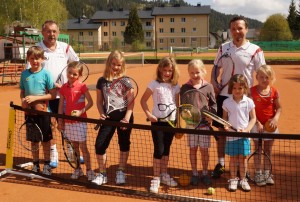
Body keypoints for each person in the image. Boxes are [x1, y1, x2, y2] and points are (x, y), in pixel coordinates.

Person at [210, 16, 266, 178]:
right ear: (230, 31)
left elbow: (262, 74)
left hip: (244, 99)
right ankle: (221, 163)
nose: (236, 32)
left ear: (246, 29)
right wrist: (214, 81)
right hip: (224, 97)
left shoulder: (255, 50)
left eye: (240, 28)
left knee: (245, 132)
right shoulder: (223, 48)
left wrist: (260, 95)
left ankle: (243, 168)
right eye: (233, 29)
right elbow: (216, 68)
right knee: (222, 132)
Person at [38, 20, 80, 168]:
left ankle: (71, 150)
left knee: (66, 124)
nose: (52, 34)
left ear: (58, 32)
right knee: (51, 125)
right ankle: (54, 151)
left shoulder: (65, 48)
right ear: (43, 32)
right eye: (48, 31)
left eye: (54, 31)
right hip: (46, 97)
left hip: (64, 96)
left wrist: (68, 84)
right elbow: (31, 70)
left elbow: (77, 65)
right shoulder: (37, 49)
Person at [92, 50, 134, 186]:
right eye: (113, 64)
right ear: (108, 63)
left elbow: (130, 102)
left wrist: (126, 118)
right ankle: (102, 173)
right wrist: (101, 112)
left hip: (124, 118)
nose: (116, 67)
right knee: (100, 145)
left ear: (123, 66)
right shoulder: (101, 81)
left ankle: (121, 171)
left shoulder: (126, 81)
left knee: (124, 144)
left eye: (119, 65)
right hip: (108, 119)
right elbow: (99, 101)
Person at [140, 57, 180, 194]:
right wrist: (149, 115)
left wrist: (178, 124)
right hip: (157, 122)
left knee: (166, 149)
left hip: (172, 122)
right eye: (165, 70)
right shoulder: (154, 84)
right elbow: (143, 100)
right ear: (160, 70)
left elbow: (177, 105)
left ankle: (164, 174)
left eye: (170, 70)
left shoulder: (176, 86)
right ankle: (156, 178)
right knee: (159, 149)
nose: (167, 73)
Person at [20, 46, 56, 175]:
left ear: (42, 59)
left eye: (37, 58)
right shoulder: (24, 74)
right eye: (32, 58)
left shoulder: (46, 74)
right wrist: (23, 101)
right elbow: (22, 92)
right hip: (30, 113)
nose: (35, 61)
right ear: (28, 59)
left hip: (43, 112)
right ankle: (35, 164)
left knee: (46, 140)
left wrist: (36, 98)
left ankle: (46, 164)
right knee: (34, 140)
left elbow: (52, 94)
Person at [180, 59, 217, 186]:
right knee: (193, 150)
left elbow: (213, 104)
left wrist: (211, 116)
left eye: (197, 72)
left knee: (204, 151)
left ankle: (205, 173)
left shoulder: (209, 86)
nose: (195, 75)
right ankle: (195, 173)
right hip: (191, 125)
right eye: (192, 73)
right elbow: (183, 106)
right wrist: (186, 113)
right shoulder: (184, 87)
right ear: (189, 73)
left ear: (203, 71)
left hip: (204, 125)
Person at [57, 61, 95, 181]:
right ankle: (78, 169)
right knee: (74, 147)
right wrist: (60, 121)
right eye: (70, 73)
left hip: (80, 121)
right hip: (68, 122)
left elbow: (91, 102)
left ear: (79, 75)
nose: (71, 76)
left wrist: (80, 112)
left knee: (83, 147)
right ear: (67, 72)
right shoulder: (63, 88)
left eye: (74, 74)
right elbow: (60, 106)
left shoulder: (82, 87)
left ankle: (89, 171)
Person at [222, 74, 256, 192]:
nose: (237, 91)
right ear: (231, 89)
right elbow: (224, 119)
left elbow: (253, 119)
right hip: (232, 136)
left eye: (240, 88)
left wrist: (246, 130)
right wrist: (226, 125)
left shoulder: (249, 102)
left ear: (245, 88)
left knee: (243, 158)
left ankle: (243, 179)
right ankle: (233, 179)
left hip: (245, 136)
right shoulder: (226, 102)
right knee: (233, 158)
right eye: (234, 88)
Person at [250, 65, 282, 186]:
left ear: (271, 78)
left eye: (267, 77)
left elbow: (279, 108)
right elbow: (250, 110)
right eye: (261, 77)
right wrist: (257, 122)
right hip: (256, 125)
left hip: (270, 126)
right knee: (258, 150)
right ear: (257, 77)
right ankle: (258, 173)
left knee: (268, 150)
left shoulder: (274, 91)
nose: (264, 79)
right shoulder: (251, 91)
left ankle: (267, 173)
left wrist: (275, 119)